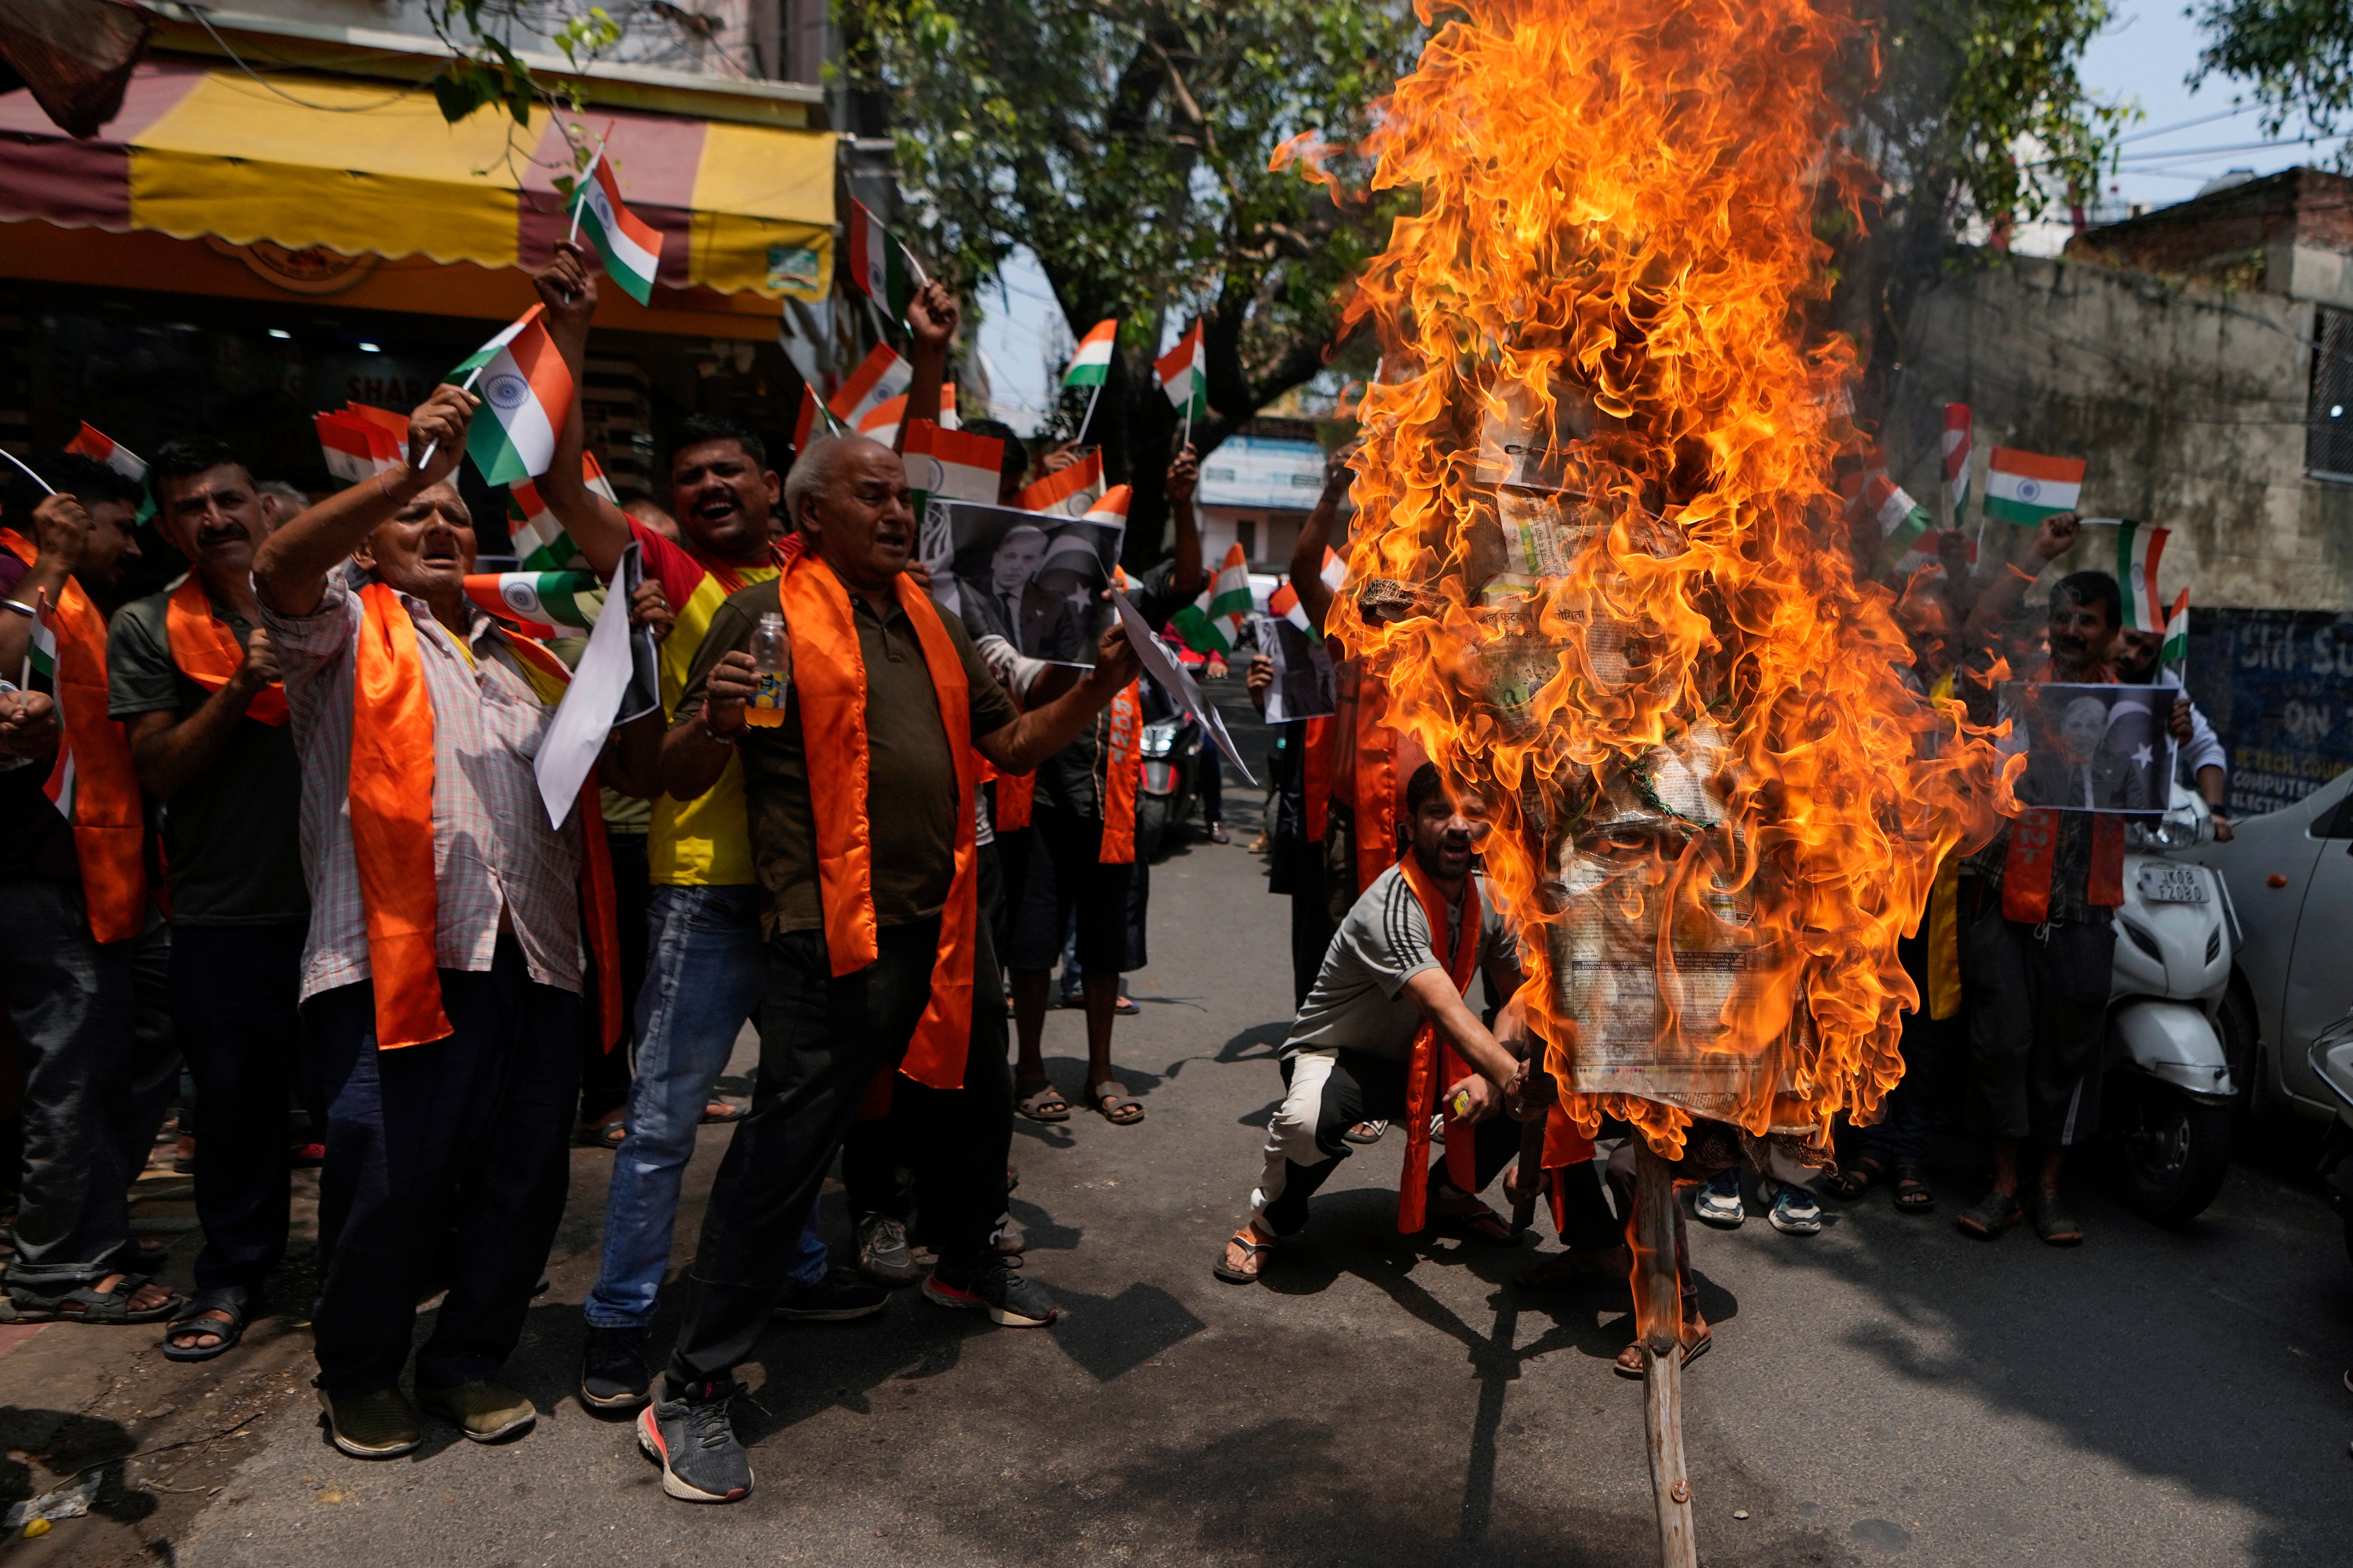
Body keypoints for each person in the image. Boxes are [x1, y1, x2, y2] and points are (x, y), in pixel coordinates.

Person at [636, 432, 1141, 1505]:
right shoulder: (766, 616)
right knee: (783, 1151)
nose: (897, 513)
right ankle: (690, 1386)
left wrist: (1097, 690)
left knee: (972, 1107)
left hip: (949, 921)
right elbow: (672, 771)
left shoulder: (931, 617)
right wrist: (720, 720)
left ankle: (962, 1264)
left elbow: (1009, 748)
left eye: (902, 498)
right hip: (830, 933)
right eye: (872, 497)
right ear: (809, 515)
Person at [529, 244, 941, 1413]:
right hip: (708, 890)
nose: (709, 487)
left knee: (794, 1113)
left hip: (812, 892)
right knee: (662, 1120)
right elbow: (561, 483)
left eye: (730, 472)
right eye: (687, 474)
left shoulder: (821, 577)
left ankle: (793, 1267)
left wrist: (928, 354)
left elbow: (884, 473)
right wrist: (574, 331)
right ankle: (618, 1323)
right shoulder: (659, 569)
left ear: (778, 492)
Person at [251, 386, 638, 1459]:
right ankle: (362, 1373)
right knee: (387, 1175)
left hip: (537, 959)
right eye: (416, 514)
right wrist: (411, 468)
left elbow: (605, 771)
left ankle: (466, 1360)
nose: (439, 526)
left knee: (525, 1180)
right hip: (395, 958)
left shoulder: (527, 658)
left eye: (456, 516)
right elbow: (276, 572)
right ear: (369, 538)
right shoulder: (339, 635)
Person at [106, 439, 309, 1359]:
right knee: (235, 1113)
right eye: (193, 508)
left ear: (267, 507)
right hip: (229, 914)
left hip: (350, 897)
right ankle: (231, 1277)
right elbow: (160, 770)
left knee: (370, 1103)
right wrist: (241, 688)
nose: (216, 520)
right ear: (172, 528)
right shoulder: (148, 626)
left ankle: (389, 1256)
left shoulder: (334, 602)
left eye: (230, 499)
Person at [1213, 764, 1536, 1285]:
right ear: (1408, 826)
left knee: (1531, 1072)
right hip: (1342, 1058)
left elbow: (1520, 991)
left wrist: (1494, 1069)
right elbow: (1443, 1007)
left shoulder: (1492, 896)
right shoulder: (1389, 905)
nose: (1457, 826)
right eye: (1438, 813)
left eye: (1473, 815)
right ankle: (1271, 1219)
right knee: (1306, 1120)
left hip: (1432, 1066)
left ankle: (1449, 1196)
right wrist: (1507, 1076)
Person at [0, 459, 179, 1327]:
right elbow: (2, 676)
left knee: (143, 1042)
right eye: (119, 525)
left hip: (111, 867)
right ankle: (56, 1265)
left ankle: (89, 1224)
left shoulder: (83, 599)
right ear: (69, 518)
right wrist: (50, 563)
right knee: (71, 1069)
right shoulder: (23, 573)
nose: (130, 544)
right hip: (38, 868)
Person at [1005, 444, 1203, 1126]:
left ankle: (1099, 1073)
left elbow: (1186, 579)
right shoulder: (1020, 584)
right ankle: (1029, 1070)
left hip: (1107, 801)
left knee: (1101, 949)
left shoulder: (1121, 588)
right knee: (1030, 947)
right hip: (1035, 797)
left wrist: (1181, 504)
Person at [1950, 512, 2124, 1246]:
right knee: (2002, 1038)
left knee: (2068, 1042)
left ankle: (2050, 1189)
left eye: (2085, 620)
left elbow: (2156, 774)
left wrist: (2172, 731)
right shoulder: (2017, 680)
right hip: (2003, 883)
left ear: (2111, 633)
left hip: (2085, 899)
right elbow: (1976, 627)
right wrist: (2036, 552)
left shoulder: (2132, 708)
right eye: (2061, 617)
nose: (2069, 629)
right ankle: (2002, 1186)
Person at [2112, 623, 2230, 838]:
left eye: (2147, 652)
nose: (2132, 655)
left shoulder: (2162, 684)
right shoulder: (2078, 671)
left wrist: (2216, 812)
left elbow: (2205, 748)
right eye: (2130, 640)